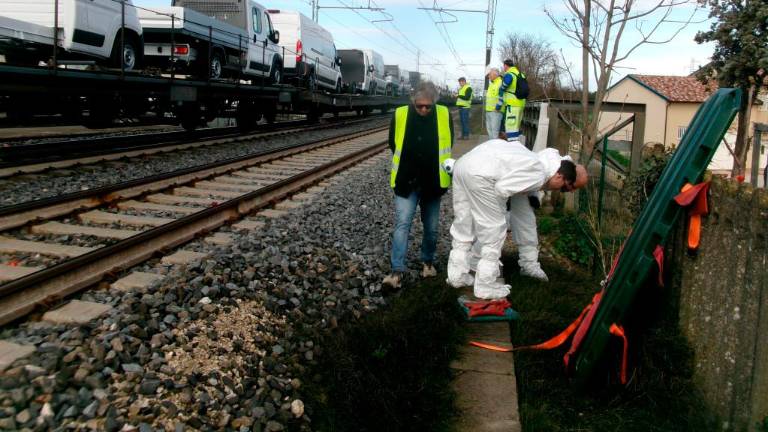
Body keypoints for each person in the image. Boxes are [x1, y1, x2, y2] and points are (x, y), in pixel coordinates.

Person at [446, 138, 588, 300]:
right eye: (566, 187)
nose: (564, 191)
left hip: (462, 165)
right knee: (494, 232)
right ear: (559, 176)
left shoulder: (538, 159)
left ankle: (456, 276)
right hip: (481, 175)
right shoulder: (539, 172)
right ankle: (485, 285)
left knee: (464, 224)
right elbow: (501, 189)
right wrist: (497, 213)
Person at [382, 81, 455, 290]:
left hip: (433, 181)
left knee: (431, 228)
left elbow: (448, 142)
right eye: (419, 106)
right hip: (407, 181)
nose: (424, 109)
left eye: (428, 106)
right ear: (413, 102)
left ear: (434, 103)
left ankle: (427, 262)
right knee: (402, 224)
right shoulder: (400, 114)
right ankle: (397, 271)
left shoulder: (443, 114)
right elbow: (393, 143)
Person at [497, 59, 527, 141]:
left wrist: (501, 88)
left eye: (504, 66)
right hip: (521, 104)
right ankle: (517, 144)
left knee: (511, 126)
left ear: (506, 65)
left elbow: (504, 86)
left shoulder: (509, 74)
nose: (504, 68)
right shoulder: (521, 74)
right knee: (517, 125)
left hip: (512, 105)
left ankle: (511, 145)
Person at [484, 67, 503, 139]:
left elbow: (502, 96)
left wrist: (497, 108)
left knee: (495, 132)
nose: (488, 77)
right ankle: (491, 147)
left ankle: (495, 149)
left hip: (496, 111)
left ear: (495, 74)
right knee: (490, 131)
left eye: (490, 75)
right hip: (489, 111)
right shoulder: (492, 84)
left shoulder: (500, 83)